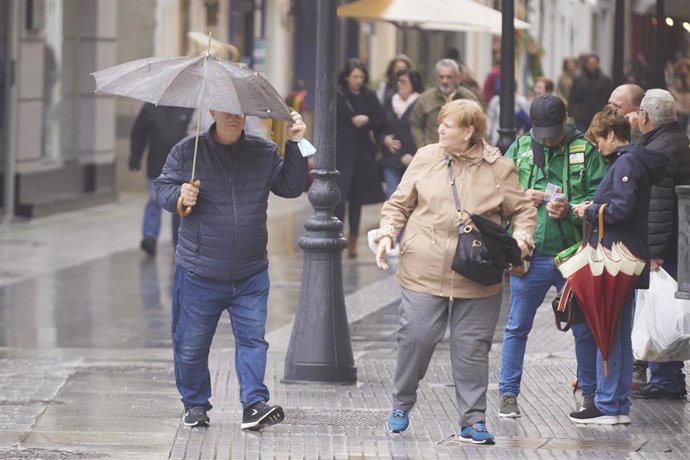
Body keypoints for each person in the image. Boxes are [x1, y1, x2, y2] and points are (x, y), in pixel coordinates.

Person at [374, 99, 537, 444]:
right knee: (417, 336)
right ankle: (401, 403)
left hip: (478, 271)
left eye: (450, 124)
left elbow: (522, 209)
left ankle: (473, 421)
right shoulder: (425, 157)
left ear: (470, 131)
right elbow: (399, 203)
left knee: (472, 347)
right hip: (423, 265)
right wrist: (388, 232)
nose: (442, 129)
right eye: (441, 122)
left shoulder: (499, 168)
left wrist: (522, 238)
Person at [154, 110, 309, 429]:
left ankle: (254, 403)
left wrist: (295, 143)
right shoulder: (188, 151)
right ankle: (195, 404)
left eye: (240, 111)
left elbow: (291, 188)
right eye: (226, 110)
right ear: (212, 111)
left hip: (250, 271)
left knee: (254, 340)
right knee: (191, 344)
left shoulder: (263, 151)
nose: (234, 116)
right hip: (200, 271)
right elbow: (162, 189)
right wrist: (181, 196)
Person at [498, 95, 606, 419]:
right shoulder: (519, 148)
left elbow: (599, 200)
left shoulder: (585, 150)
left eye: (552, 132)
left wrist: (572, 213)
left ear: (565, 121)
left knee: (583, 327)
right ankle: (507, 394)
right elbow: (495, 192)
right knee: (517, 326)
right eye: (541, 132)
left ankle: (590, 393)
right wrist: (519, 197)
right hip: (529, 255)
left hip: (572, 256)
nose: (547, 139)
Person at [568, 105, 667, 424]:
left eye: (599, 140)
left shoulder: (626, 163)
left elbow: (621, 208)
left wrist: (590, 210)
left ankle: (608, 403)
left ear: (612, 135)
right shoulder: (635, 160)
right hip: (630, 255)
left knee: (607, 330)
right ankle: (617, 403)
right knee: (619, 331)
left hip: (616, 256)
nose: (597, 147)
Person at [629, 89, 690, 400]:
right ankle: (668, 377)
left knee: (662, 310)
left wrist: (653, 252)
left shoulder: (661, 150)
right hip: (676, 241)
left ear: (646, 117)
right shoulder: (675, 140)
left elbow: (659, 205)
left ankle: (667, 379)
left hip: (666, 247)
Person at [336, 59, 388, 258]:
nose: (358, 80)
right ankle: (338, 236)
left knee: (356, 199)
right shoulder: (339, 95)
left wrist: (367, 120)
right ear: (347, 77)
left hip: (361, 154)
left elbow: (380, 120)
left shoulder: (369, 96)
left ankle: (353, 241)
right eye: (355, 76)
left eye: (361, 77)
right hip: (341, 152)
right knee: (339, 198)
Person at [130, 103, 194, 255]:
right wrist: (135, 158)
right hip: (157, 165)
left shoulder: (189, 108)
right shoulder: (150, 108)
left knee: (178, 205)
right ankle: (150, 237)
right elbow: (138, 134)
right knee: (154, 200)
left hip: (182, 169)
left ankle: (179, 241)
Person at [409, 59, 481, 149]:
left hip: (462, 154)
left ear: (457, 77)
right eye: (441, 77)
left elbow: (480, 127)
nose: (445, 81)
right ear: (436, 77)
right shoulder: (425, 99)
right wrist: (422, 145)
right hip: (433, 153)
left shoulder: (468, 98)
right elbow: (415, 124)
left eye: (449, 77)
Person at [379, 68, 423, 198]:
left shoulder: (421, 102)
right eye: (398, 81)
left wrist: (413, 154)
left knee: (411, 198)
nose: (399, 84)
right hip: (391, 158)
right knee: (392, 197)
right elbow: (379, 127)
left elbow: (426, 132)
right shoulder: (390, 101)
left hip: (414, 161)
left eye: (403, 81)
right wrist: (384, 139)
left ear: (413, 83)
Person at [568, 53, 612, 132]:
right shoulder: (579, 78)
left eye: (594, 63)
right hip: (582, 115)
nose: (592, 65)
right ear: (586, 64)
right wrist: (572, 113)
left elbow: (607, 97)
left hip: (597, 113)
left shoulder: (604, 79)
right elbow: (573, 97)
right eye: (590, 63)